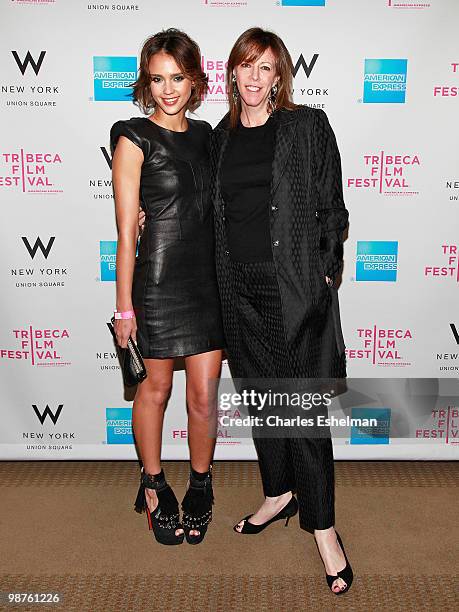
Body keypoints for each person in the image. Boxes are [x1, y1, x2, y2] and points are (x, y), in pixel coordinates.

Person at [209, 28, 353, 594]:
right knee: (259, 399)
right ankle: (278, 493)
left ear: (279, 77)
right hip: (235, 289)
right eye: (246, 66)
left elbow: (332, 208)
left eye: (266, 68)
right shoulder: (218, 137)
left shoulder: (306, 127)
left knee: (302, 414)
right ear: (233, 73)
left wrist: (324, 271)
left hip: (291, 292)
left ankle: (325, 531)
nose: (254, 77)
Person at [110, 28, 224, 546]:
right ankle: (154, 484)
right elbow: (125, 232)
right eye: (157, 79)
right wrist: (123, 309)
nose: (168, 89)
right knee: (155, 390)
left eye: (177, 77)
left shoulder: (209, 136)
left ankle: (201, 485)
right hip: (156, 283)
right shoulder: (132, 137)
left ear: (196, 79)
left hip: (207, 283)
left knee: (203, 397)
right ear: (145, 83)